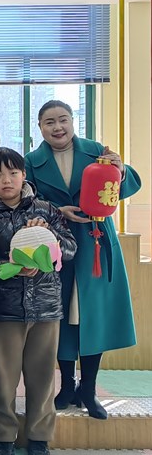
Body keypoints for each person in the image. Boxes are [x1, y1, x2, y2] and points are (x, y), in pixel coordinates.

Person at [24, 100, 142, 420]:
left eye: (63, 119)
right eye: (49, 122)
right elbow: (25, 201)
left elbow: (127, 186)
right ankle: (66, 386)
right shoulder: (32, 161)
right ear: (40, 127)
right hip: (55, 244)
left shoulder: (97, 151)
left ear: (73, 121)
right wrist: (55, 211)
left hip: (95, 243)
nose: (57, 127)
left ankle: (88, 389)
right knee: (59, 314)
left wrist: (119, 169)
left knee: (93, 315)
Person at [0, 147, 77, 455]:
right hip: (2, 308)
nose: (6, 180)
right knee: (1, 378)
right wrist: (8, 266)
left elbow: (70, 249)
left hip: (46, 307)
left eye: (13, 172)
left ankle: (39, 438)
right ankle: (3, 438)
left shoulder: (46, 210)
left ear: (24, 175)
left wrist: (49, 238)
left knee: (42, 377)